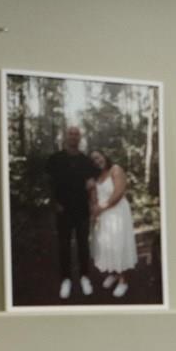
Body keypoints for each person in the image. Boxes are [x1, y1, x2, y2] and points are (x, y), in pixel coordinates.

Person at [42, 124, 99, 301]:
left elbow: (93, 183)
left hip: (82, 210)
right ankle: (65, 280)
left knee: (83, 245)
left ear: (80, 138)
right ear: (65, 137)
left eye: (76, 134)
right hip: (63, 210)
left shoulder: (86, 161)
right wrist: (54, 203)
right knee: (64, 246)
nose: (73, 136)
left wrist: (93, 203)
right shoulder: (55, 159)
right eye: (70, 133)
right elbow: (48, 183)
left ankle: (84, 277)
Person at [90, 155, 139, 298]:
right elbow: (94, 197)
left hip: (117, 212)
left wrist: (101, 208)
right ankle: (114, 273)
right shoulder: (97, 177)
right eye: (93, 160)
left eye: (98, 157)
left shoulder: (115, 169)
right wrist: (95, 212)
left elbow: (118, 193)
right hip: (104, 215)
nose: (97, 161)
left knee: (118, 244)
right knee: (107, 244)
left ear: (104, 156)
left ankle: (123, 281)